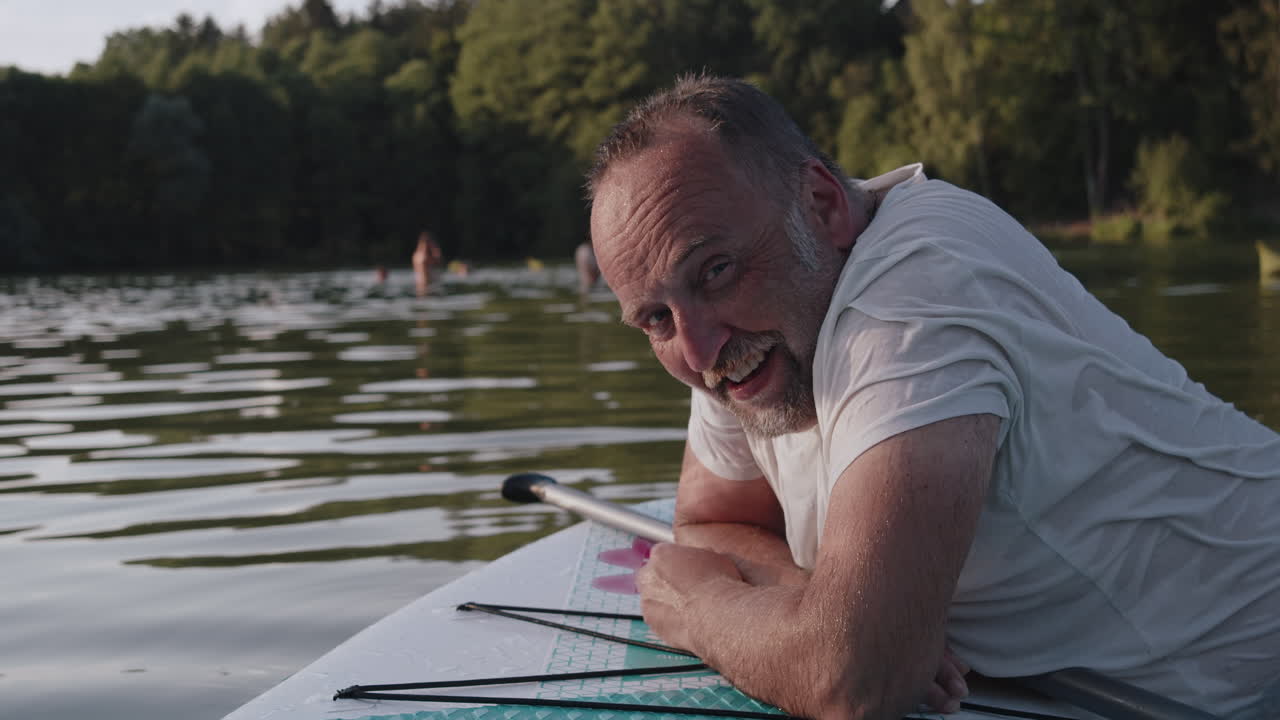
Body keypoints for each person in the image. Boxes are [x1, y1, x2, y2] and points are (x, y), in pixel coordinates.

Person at [586, 74, 1280, 720]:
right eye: (654, 319)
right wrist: (813, 604)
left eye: (715, 270)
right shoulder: (739, 329)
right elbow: (712, 520)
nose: (697, 350)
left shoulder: (913, 301)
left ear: (823, 204)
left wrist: (699, 605)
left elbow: (855, 678)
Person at [412, 230, 443, 297]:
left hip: (420, 284)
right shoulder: (423, 257)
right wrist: (435, 249)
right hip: (426, 284)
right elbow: (439, 259)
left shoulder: (416, 255)